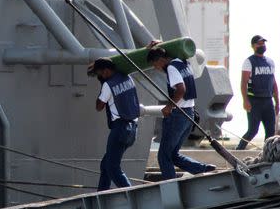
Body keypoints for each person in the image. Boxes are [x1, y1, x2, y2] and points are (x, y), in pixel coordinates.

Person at [147, 46, 216, 180]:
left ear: (161, 60)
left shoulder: (172, 68)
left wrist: (168, 107)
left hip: (178, 115)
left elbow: (181, 89)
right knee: (173, 154)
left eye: (155, 64)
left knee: (163, 156)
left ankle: (171, 185)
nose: (156, 68)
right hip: (189, 114)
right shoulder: (183, 62)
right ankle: (201, 168)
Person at [88, 58, 140, 191]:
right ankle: (102, 193)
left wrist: (103, 85)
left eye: (100, 73)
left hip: (120, 129)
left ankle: (131, 193)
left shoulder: (108, 84)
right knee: (106, 164)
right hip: (133, 129)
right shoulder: (128, 78)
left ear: (106, 71)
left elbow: (99, 106)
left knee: (112, 167)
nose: (100, 76)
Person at [236, 35, 279, 150]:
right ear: (253, 46)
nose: (262, 45)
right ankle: (238, 151)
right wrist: (245, 101)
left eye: (263, 43)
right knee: (253, 130)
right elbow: (243, 83)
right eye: (259, 44)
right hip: (254, 101)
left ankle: (267, 155)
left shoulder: (270, 62)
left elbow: (273, 83)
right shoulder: (249, 61)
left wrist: (277, 102)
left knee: (271, 132)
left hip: (268, 101)